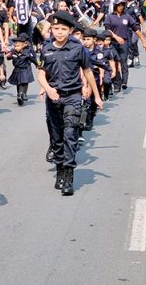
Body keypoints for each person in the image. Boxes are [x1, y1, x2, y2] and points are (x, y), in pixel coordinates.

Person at [37, 10, 103, 196]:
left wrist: (96, 96)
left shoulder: (77, 48)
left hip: (73, 96)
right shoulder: (46, 48)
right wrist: (47, 89)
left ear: (70, 30)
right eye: (56, 28)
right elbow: (41, 73)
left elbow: (88, 71)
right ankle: (59, 171)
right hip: (53, 97)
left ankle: (68, 176)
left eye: (63, 29)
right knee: (56, 137)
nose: (59, 32)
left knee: (70, 134)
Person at [104, 0, 146, 91]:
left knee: (123, 61)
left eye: (122, 5)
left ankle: (124, 82)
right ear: (115, 6)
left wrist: (143, 41)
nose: (121, 7)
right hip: (113, 43)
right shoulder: (110, 17)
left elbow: (136, 29)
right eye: (119, 5)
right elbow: (107, 29)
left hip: (124, 43)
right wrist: (116, 37)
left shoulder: (127, 16)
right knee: (115, 62)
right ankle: (116, 84)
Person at [8, 33, 38, 106]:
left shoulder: (27, 51)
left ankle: (22, 93)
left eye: (18, 46)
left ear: (23, 45)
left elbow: (33, 58)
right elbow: (8, 57)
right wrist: (9, 56)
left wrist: (38, 65)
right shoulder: (13, 52)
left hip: (25, 68)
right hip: (17, 69)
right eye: (15, 46)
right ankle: (19, 95)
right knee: (18, 82)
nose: (16, 47)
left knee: (24, 81)